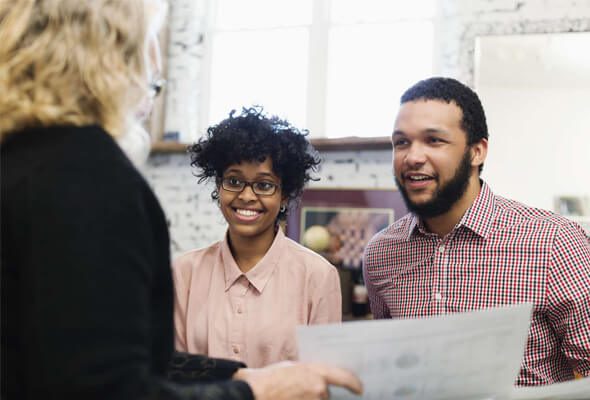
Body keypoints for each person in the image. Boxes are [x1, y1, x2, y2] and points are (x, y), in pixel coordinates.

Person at [0, 1, 362, 399]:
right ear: (113, 59)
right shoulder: (87, 179)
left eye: (264, 185)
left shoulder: (21, 163)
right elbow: (107, 385)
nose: (150, 97)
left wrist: (239, 377)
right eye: (151, 77)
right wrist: (255, 392)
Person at [363, 77, 590, 386]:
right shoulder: (381, 253)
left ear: (477, 151)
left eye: (434, 140)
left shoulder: (555, 243)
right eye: (401, 142)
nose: (412, 156)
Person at [173, 107, 342, 368]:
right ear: (219, 185)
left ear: (284, 194)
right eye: (234, 181)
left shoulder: (317, 276)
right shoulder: (184, 273)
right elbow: (173, 376)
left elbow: (322, 382)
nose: (247, 196)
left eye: (264, 185)